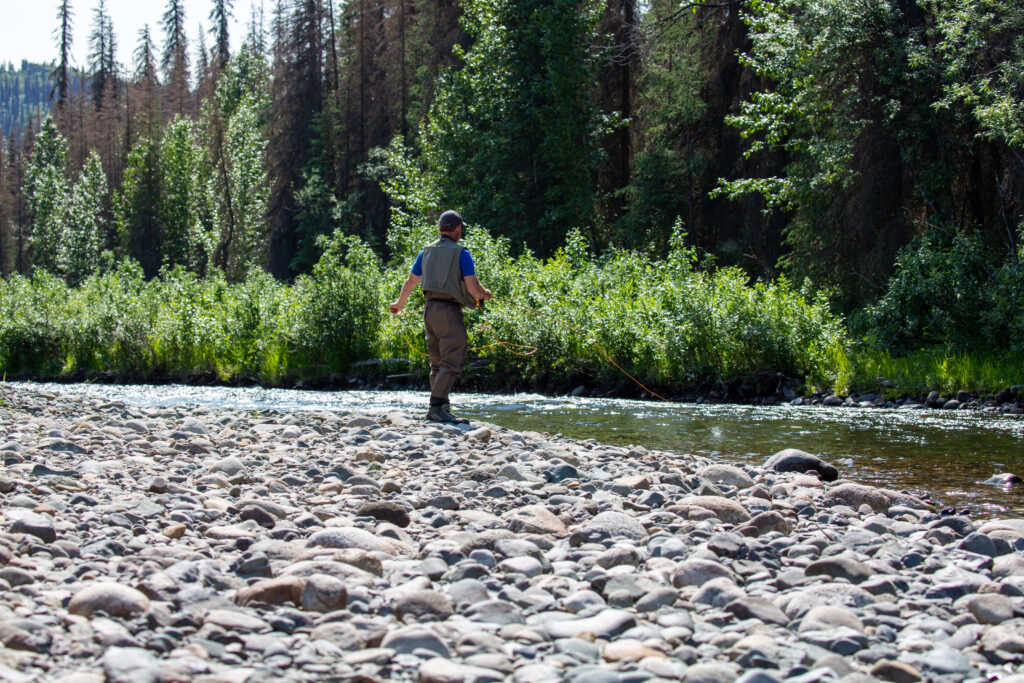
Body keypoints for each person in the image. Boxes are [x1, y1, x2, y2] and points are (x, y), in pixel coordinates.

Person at [389, 210, 493, 423]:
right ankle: (436, 409)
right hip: (448, 311)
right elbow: (473, 288)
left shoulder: (425, 251)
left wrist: (399, 305)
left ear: (440, 228)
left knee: (437, 363)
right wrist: (486, 295)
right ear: (457, 229)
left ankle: (440, 408)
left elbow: (411, 282)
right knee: (453, 358)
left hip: (429, 310)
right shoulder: (461, 253)